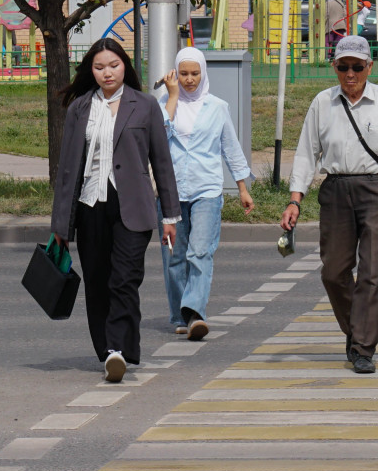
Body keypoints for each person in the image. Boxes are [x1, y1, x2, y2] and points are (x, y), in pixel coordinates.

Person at [283, 34, 378, 374]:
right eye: (343, 67)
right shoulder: (322, 103)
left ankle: (362, 347)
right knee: (334, 273)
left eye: (357, 67)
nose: (350, 74)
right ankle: (355, 330)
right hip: (336, 190)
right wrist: (294, 200)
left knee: (374, 272)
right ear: (334, 67)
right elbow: (306, 153)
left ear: (369, 66)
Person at [51, 38, 180, 384]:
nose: (107, 72)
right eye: (99, 67)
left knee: (124, 280)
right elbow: (67, 171)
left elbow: (162, 162)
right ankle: (108, 351)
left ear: (125, 65)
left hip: (132, 207)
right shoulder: (79, 108)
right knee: (97, 282)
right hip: (90, 205)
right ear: (90, 71)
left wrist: (170, 216)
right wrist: (60, 226)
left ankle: (119, 349)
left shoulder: (146, 106)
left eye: (113, 65)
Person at [157, 47, 255, 342]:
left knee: (200, 251)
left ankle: (195, 313)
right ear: (175, 73)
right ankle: (178, 314)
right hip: (170, 192)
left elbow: (230, 147)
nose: (189, 80)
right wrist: (172, 97)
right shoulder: (162, 103)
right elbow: (157, 140)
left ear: (203, 73)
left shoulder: (217, 107)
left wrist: (242, 187)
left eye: (194, 73)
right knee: (174, 256)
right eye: (183, 73)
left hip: (207, 190)